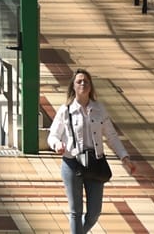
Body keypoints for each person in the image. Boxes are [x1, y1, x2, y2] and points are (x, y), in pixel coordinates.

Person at [47, 69, 136, 234]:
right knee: (75, 212)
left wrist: (124, 157)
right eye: (79, 81)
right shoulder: (65, 110)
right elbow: (52, 135)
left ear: (90, 86)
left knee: (94, 213)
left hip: (95, 163)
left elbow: (111, 135)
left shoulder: (99, 109)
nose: (83, 84)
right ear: (73, 86)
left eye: (86, 81)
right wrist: (57, 144)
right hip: (72, 164)